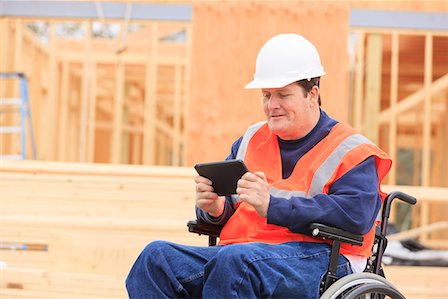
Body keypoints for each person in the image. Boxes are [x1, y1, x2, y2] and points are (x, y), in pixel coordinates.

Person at [126, 33, 392, 298]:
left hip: (322, 259)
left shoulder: (351, 150)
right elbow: (230, 210)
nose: (271, 105)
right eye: (266, 95)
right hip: (244, 254)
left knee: (236, 263)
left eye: (283, 95)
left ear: (312, 95)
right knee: (155, 259)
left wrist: (272, 206)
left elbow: (356, 216)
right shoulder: (250, 140)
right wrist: (215, 210)